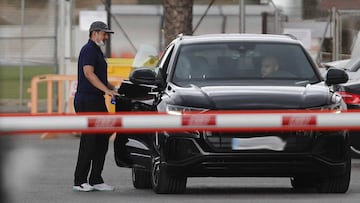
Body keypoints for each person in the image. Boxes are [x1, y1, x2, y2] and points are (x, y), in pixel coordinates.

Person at [73, 21, 119, 192]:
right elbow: (88, 73)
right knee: (89, 140)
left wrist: (113, 88)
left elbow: (98, 76)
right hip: (87, 100)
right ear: (95, 33)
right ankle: (80, 181)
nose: (106, 37)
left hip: (96, 100)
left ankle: (96, 179)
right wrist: (106, 90)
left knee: (102, 138)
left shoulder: (96, 50)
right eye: (104, 33)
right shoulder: (89, 50)